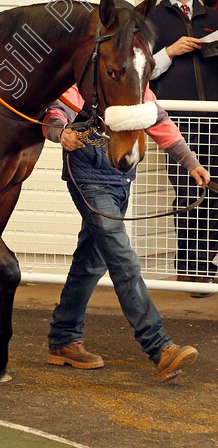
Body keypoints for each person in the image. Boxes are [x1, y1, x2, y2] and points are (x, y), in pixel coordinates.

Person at [43, 83, 209, 382]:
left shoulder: (136, 84)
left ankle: (63, 338)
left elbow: (159, 123)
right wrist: (61, 131)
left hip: (121, 180)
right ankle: (160, 348)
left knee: (92, 261)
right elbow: (55, 113)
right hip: (88, 181)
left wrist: (191, 163)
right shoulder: (83, 80)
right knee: (123, 260)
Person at [150, 0, 218, 292]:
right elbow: (142, 68)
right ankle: (191, 270)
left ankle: (206, 264)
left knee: (215, 189)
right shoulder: (151, 17)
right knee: (189, 191)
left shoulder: (213, 17)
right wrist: (170, 52)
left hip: (214, 119)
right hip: (177, 120)